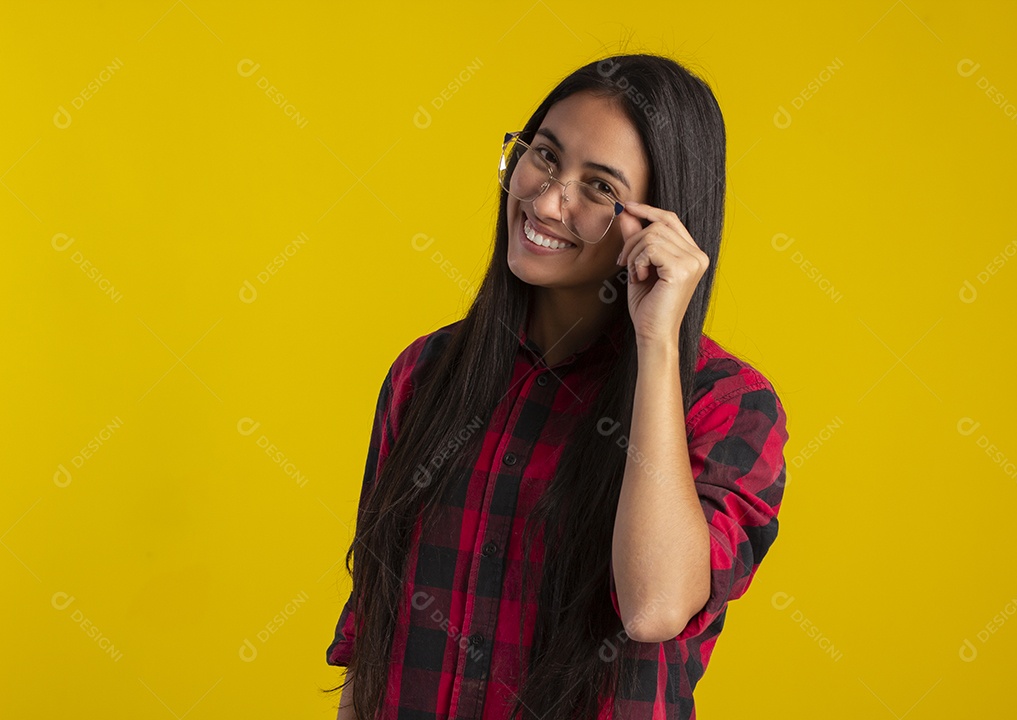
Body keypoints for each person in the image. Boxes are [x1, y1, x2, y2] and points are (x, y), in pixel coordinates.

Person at [323, 52, 790, 720]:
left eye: (600, 187)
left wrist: (657, 344)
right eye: (544, 155)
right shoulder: (425, 373)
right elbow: (371, 637)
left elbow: (654, 608)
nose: (543, 201)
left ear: (659, 222)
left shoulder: (729, 406)